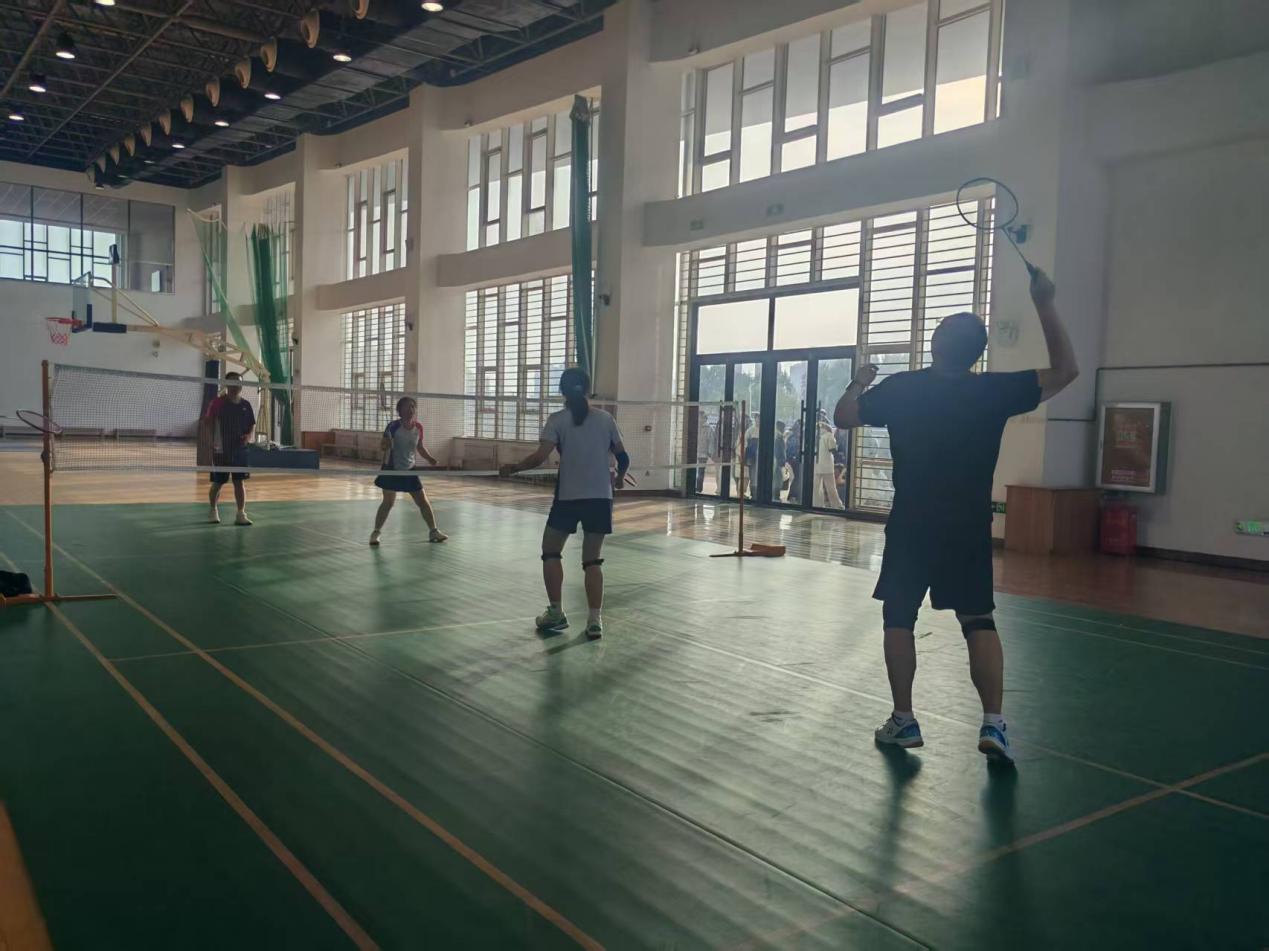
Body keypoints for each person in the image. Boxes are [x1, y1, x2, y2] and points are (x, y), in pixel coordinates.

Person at [834, 269, 1077, 763]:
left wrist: (859, 381)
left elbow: (843, 415)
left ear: (935, 344)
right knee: (978, 620)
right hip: (968, 524)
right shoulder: (992, 390)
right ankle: (994, 724)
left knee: (899, 616)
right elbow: (1067, 370)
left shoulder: (903, 389)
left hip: (912, 522)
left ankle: (904, 719)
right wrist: (1045, 302)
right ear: (976, 353)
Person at [500, 368, 628, 640]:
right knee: (592, 560)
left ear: (562, 391)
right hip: (600, 498)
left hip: (568, 497)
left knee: (550, 551)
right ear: (588, 389)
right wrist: (618, 479)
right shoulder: (605, 419)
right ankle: (594, 621)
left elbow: (539, 458)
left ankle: (556, 612)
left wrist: (513, 468)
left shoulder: (557, 420)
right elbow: (623, 457)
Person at [369, 396, 448, 547]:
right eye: (407, 406)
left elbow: (420, 447)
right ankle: (376, 533)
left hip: (409, 470)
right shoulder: (392, 426)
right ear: (400, 410)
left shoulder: (418, 428)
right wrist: (386, 443)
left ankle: (433, 531)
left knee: (423, 501)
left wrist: (430, 459)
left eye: (412, 406)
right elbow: (382, 446)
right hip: (391, 469)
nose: (410, 409)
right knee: (388, 503)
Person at [202, 371, 256, 526]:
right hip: (221, 449)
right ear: (226, 384)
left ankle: (240, 514)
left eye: (238, 382)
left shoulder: (246, 405)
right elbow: (207, 423)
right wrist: (212, 441)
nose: (236, 385)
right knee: (218, 482)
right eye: (232, 382)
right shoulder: (217, 403)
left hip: (240, 450)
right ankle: (213, 510)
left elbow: (252, 424)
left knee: (239, 482)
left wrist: (248, 436)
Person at [812, 416, 844, 510]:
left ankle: (817, 505)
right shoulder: (829, 435)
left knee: (816, 488)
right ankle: (836, 505)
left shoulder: (816, 436)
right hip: (827, 466)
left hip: (816, 465)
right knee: (831, 487)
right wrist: (836, 446)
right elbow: (832, 449)